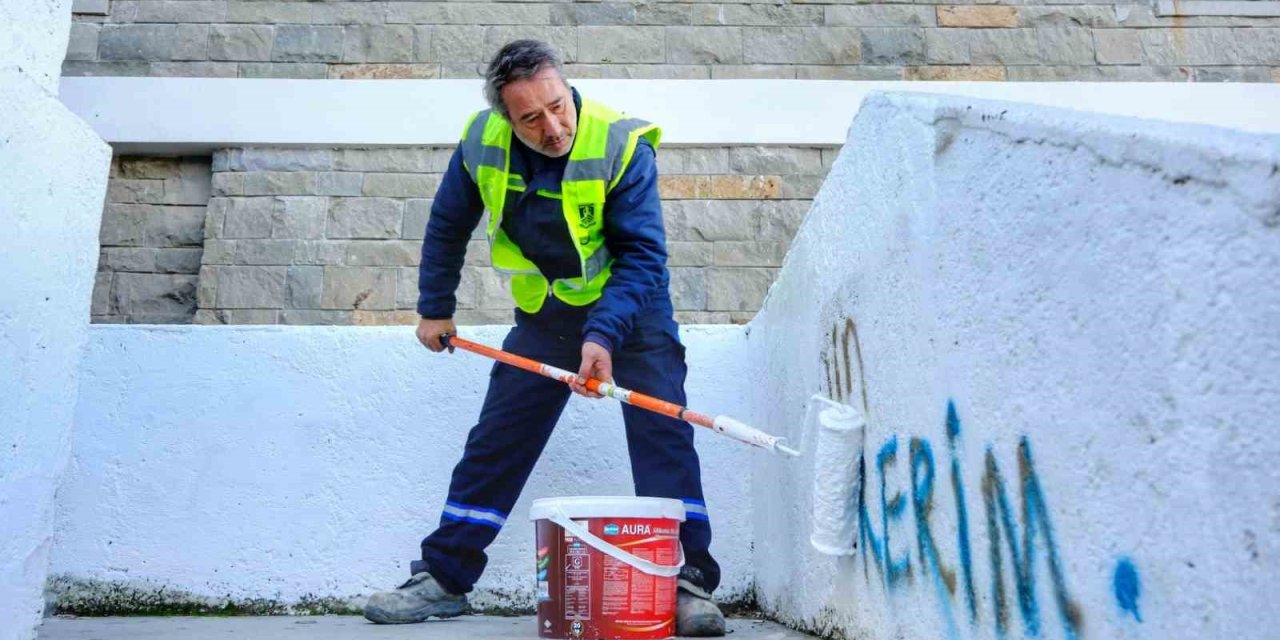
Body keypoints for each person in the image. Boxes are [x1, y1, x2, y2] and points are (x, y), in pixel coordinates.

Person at [361, 39, 726, 637]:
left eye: (558, 107)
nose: (553, 128)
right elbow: (448, 224)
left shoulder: (620, 143)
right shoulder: (481, 142)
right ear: (507, 118)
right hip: (547, 315)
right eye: (531, 118)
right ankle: (444, 578)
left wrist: (603, 334)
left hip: (633, 312)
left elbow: (643, 255)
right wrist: (435, 309)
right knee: (498, 439)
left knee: (663, 435)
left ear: (568, 89)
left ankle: (687, 584)